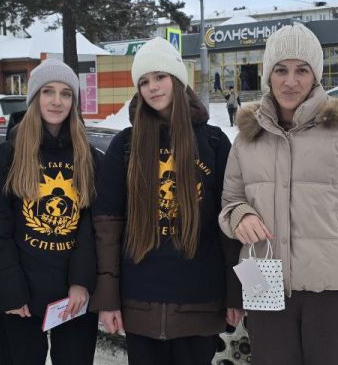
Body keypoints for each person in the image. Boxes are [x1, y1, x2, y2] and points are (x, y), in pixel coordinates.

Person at [218, 23, 338, 364]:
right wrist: (239, 216)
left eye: (301, 70)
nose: (290, 81)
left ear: (315, 76)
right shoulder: (248, 138)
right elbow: (230, 202)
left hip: (333, 295)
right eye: (281, 70)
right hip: (265, 288)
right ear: (268, 75)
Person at [91, 37, 243, 365]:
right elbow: (107, 229)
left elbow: (229, 225)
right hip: (140, 302)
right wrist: (108, 299)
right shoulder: (125, 146)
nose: (153, 87)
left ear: (177, 79)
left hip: (199, 301)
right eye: (144, 81)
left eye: (160, 77)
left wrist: (235, 292)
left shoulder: (214, 142)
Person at [0, 60, 100, 365]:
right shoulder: (8, 156)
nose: (57, 101)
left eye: (66, 94)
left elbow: (92, 227)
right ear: (34, 97)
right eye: (48, 91)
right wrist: (10, 290)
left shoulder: (88, 157)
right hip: (20, 295)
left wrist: (81, 282)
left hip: (73, 297)